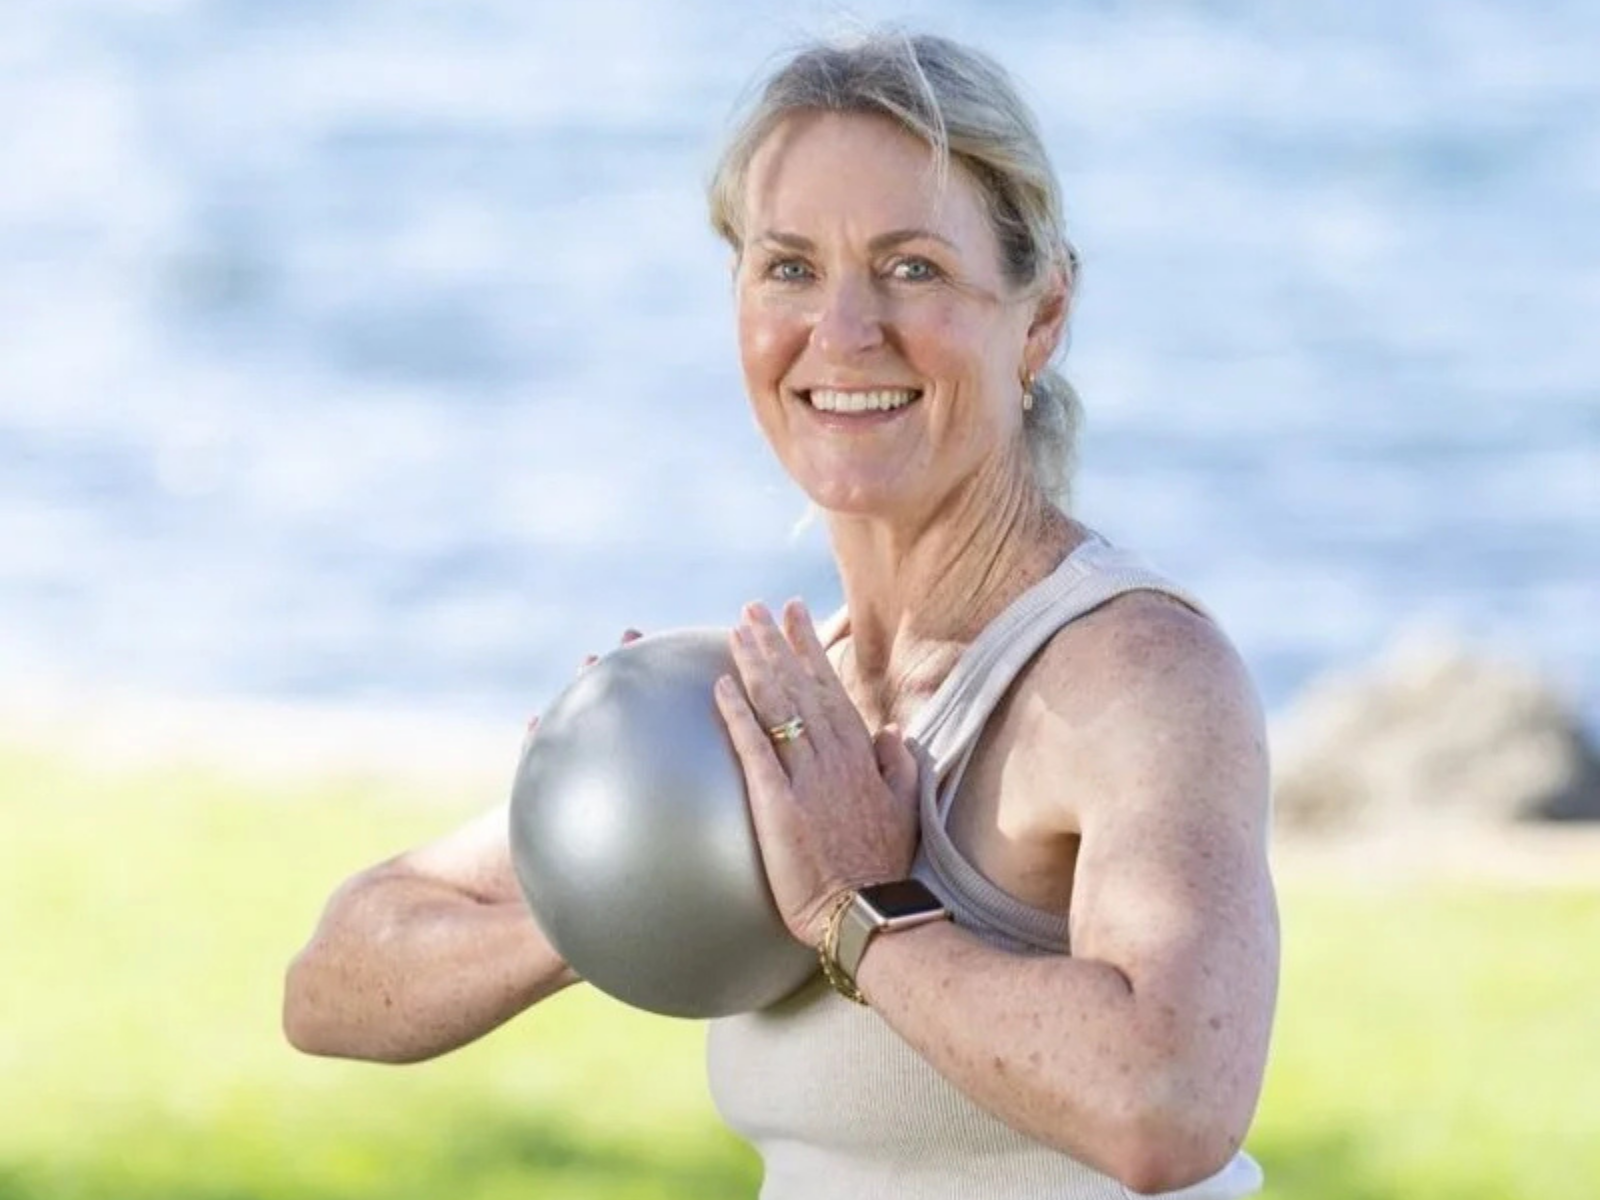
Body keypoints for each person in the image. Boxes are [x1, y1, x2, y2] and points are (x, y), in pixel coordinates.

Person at [283, 28, 1279, 1200]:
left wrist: (857, 912)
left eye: (911, 268)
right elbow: (330, 986)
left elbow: (1170, 1105)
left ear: (1042, 312)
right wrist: (632, 888)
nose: (843, 333)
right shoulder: (778, 705)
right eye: (790, 268)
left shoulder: (1132, 675)